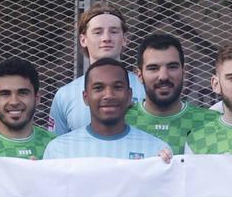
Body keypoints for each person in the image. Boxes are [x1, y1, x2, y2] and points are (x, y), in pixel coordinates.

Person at [44, 59, 173, 160]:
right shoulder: (59, 150)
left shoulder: (156, 150)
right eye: (98, 88)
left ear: (129, 96)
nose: (109, 95)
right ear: (85, 97)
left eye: (117, 87)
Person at [50, 3, 145, 134]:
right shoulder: (64, 95)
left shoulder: (145, 88)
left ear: (125, 39)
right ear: (83, 40)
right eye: (98, 32)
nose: (106, 38)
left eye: (114, 31)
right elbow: (56, 146)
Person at [128, 32, 216, 153]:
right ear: (139, 75)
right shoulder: (123, 120)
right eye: (153, 68)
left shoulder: (212, 122)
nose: (163, 76)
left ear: (183, 71)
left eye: (172, 67)